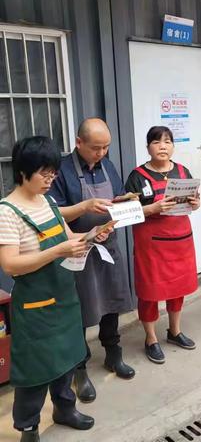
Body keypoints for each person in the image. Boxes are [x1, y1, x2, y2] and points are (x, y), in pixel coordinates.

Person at [0, 137, 110, 441]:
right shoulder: (7, 211)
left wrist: (89, 237)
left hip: (63, 296)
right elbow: (10, 264)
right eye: (44, 173)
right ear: (23, 171)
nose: (51, 180)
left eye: (53, 173)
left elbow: (67, 234)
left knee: (67, 358)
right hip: (35, 305)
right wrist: (58, 252)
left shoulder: (47, 201)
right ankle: (28, 427)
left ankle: (65, 408)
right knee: (35, 371)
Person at [48, 118, 134, 404]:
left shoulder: (107, 165)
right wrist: (84, 210)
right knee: (81, 310)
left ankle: (113, 354)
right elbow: (53, 213)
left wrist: (125, 204)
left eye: (106, 147)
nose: (101, 153)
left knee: (112, 303)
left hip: (108, 243)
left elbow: (116, 200)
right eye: (96, 148)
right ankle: (79, 369)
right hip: (78, 249)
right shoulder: (60, 171)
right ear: (79, 143)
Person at [125, 126, 200, 364]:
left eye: (167, 142)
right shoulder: (136, 176)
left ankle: (174, 331)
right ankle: (151, 338)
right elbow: (125, 211)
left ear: (173, 146)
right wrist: (150, 209)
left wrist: (196, 203)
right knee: (150, 291)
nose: (163, 146)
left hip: (180, 241)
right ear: (148, 147)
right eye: (157, 142)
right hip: (152, 245)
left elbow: (194, 201)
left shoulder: (182, 170)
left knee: (177, 289)